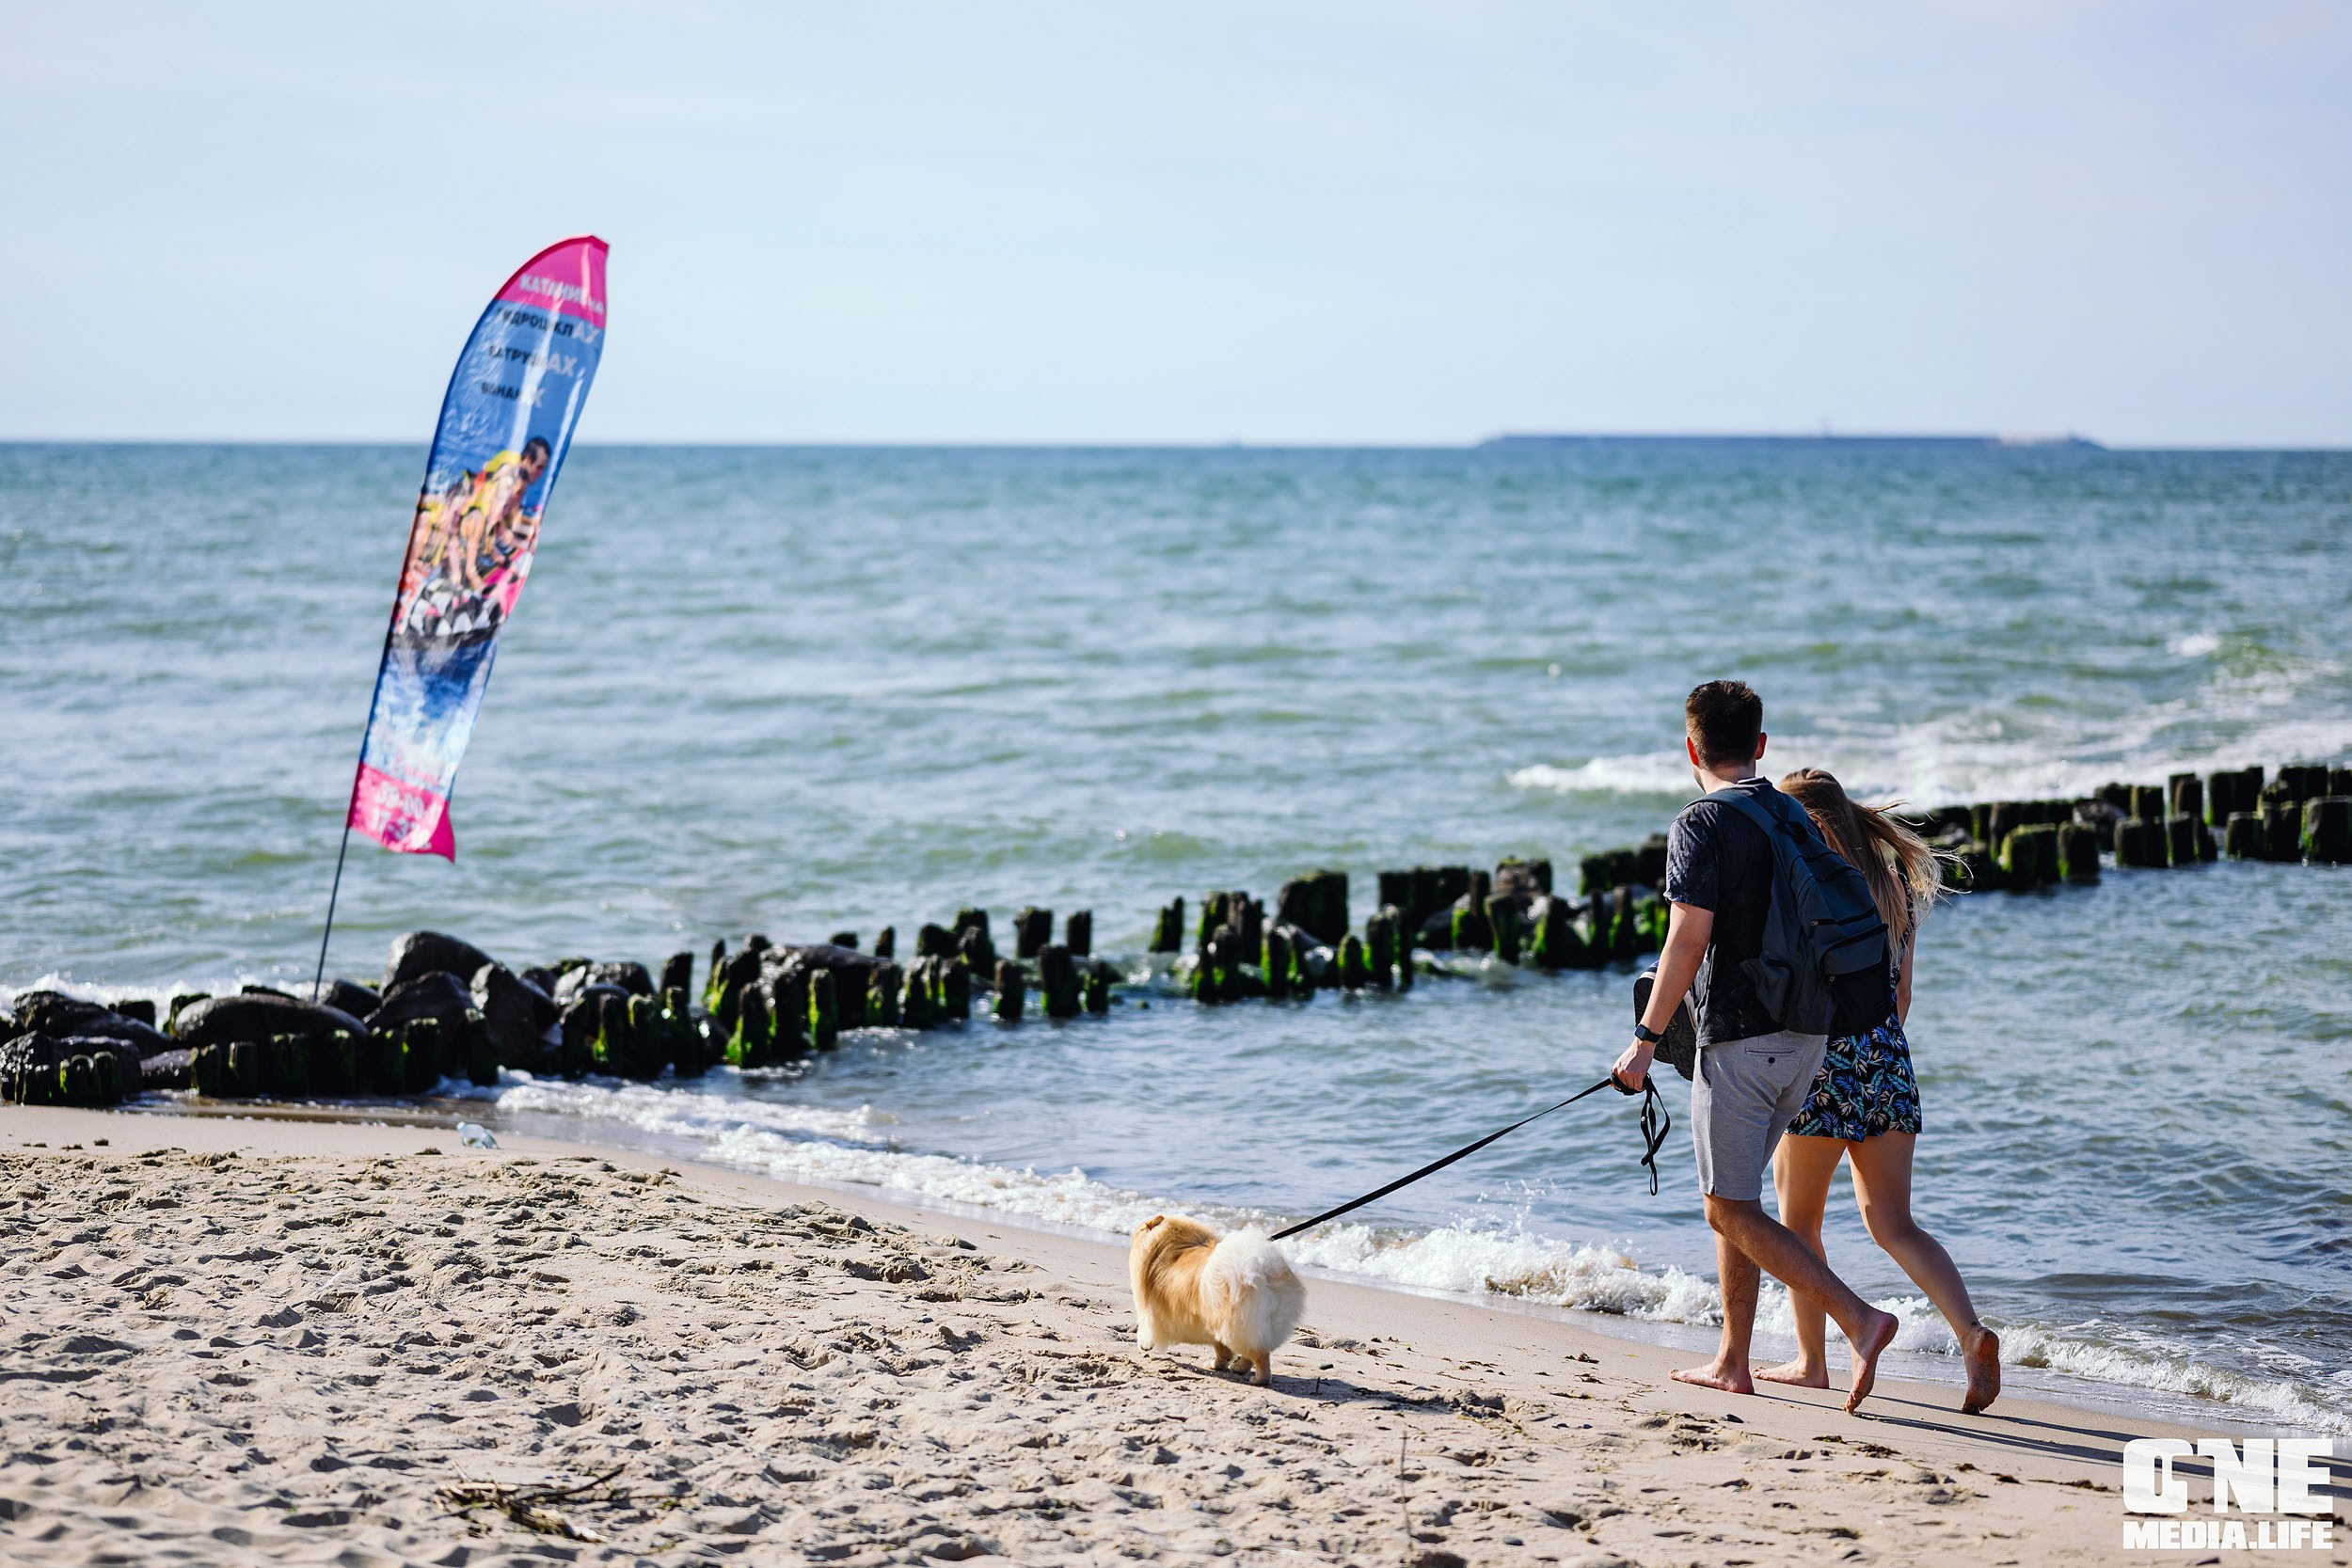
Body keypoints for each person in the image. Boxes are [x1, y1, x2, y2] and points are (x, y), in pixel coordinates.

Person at [1612, 680, 1899, 1412]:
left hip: (1742, 1039)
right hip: (1808, 1039)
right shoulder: (1789, 811)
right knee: (1732, 1194)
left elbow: (1688, 938)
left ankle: (1860, 1320)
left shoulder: (1700, 821)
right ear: (1761, 746)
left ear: (1690, 748)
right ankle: (1733, 1360)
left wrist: (1645, 1039)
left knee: (1726, 1207)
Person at [1756, 768, 2002, 1414]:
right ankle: (1971, 1332)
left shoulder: (1805, 882)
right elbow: (1902, 995)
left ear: (1808, 822)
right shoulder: (1892, 883)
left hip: (1819, 1065)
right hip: (1888, 1061)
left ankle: (1812, 1363)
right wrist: (1875, 1054)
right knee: (1894, 1223)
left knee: (1797, 1222)